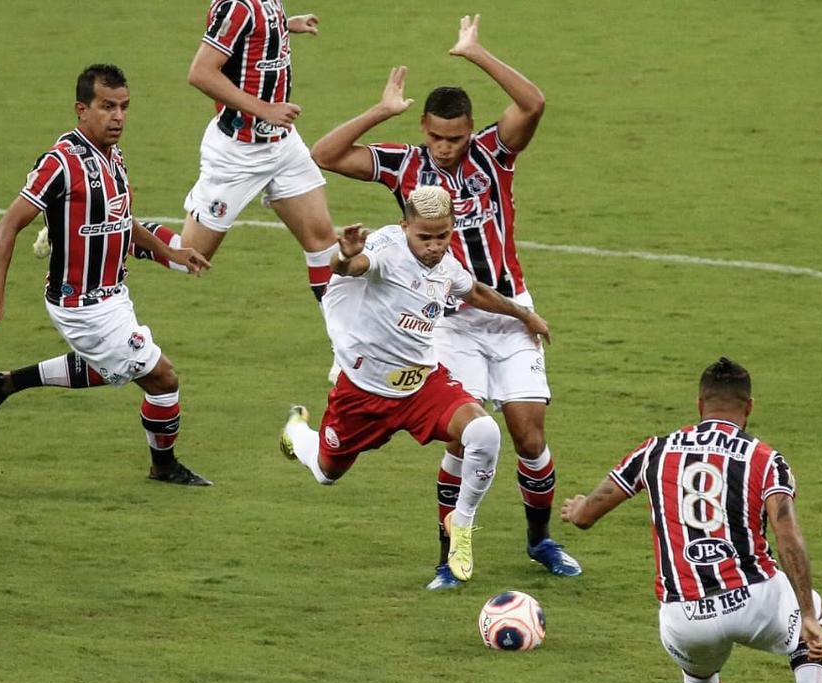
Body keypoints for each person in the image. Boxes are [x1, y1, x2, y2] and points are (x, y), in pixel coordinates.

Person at [311, 14, 580, 589]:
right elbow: (326, 155)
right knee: (468, 435)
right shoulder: (406, 165)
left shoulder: (494, 153)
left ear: (471, 131)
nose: (445, 148)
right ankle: (449, 557)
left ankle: (540, 542)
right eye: (435, 136)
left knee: (530, 436)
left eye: (455, 138)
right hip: (446, 323)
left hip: (507, 311)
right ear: (425, 130)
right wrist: (382, 110)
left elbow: (533, 104)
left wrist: (477, 52)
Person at [560, 358, 822, 683]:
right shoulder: (764, 458)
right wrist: (807, 614)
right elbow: (788, 534)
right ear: (749, 407)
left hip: (685, 614)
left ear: (700, 404)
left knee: (699, 676)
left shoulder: (654, 450)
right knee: (817, 616)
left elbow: (589, 514)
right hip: (754, 597)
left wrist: (576, 511)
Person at [278, 186, 551, 586]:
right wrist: (346, 254)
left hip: (423, 385)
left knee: (483, 431)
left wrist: (523, 315)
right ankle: (297, 432)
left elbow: (472, 290)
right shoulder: (386, 251)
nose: (435, 246)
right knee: (326, 472)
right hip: (365, 393)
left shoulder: (443, 261)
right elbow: (350, 269)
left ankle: (462, 523)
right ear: (405, 226)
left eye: (443, 236)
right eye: (425, 236)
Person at [0, 64, 213, 487]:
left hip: (113, 295)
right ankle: (163, 467)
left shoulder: (112, 156)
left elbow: (123, 220)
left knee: (116, 368)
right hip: (81, 305)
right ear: (82, 110)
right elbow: (8, 225)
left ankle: (6, 384)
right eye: (107, 107)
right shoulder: (60, 163)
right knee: (162, 378)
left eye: (123, 107)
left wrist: (169, 251)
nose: (118, 116)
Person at [33, 2, 339, 304]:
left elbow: (250, 36)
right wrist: (264, 109)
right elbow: (201, 72)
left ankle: (344, 342)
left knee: (322, 242)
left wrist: (283, 27)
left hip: (284, 144)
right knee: (192, 255)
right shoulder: (235, 6)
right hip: (239, 153)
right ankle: (99, 229)